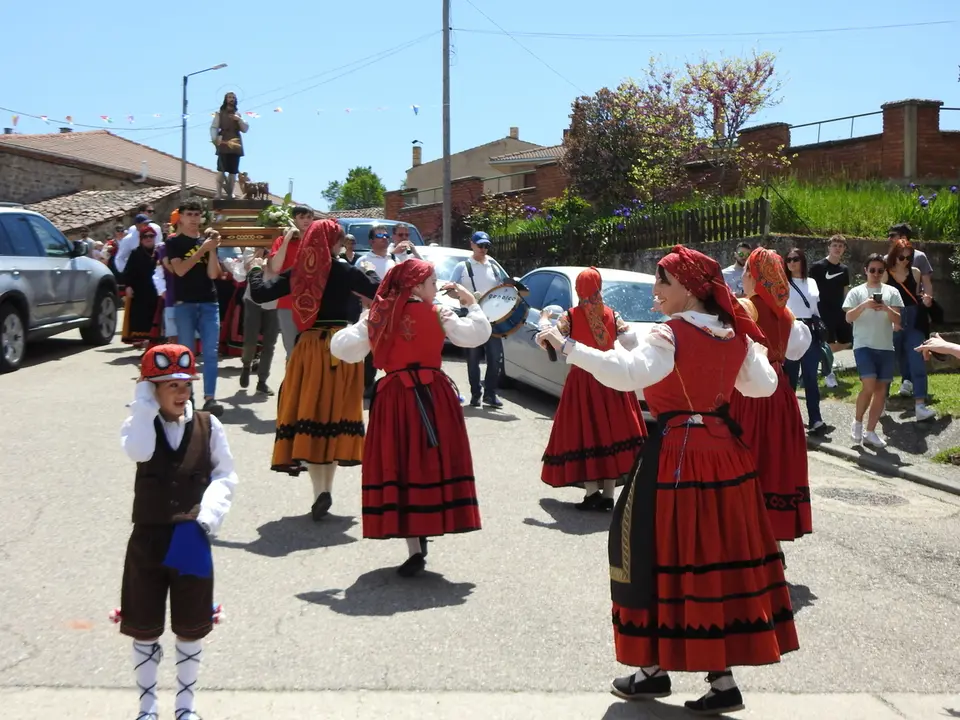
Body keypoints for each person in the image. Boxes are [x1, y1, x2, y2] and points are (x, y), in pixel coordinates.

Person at [536, 245, 796, 716]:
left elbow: (630, 375)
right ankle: (720, 680)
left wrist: (569, 347)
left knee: (651, 555)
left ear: (689, 290)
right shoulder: (728, 333)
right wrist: (747, 347)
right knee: (712, 561)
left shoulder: (671, 333)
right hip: (727, 458)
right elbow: (764, 386)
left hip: (678, 458)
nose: (655, 289)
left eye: (663, 282)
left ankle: (653, 669)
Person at [330, 259, 490, 576]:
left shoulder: (380, 315)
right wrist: (471, 304)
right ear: (416, 286)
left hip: (395, 398)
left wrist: (366, 319)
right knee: (430, 464)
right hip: (435, 398)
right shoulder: (439, 312)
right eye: (432, 283)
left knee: (400, 466)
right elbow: (477, 334)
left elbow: (341, 348)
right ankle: (429, 526)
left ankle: (414, 546)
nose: (435, 289)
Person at [115, 344, 237, 720]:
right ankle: (147, 706)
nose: (181, 391)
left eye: (184, 383)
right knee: (145, 623)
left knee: (191, 623)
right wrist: (144, 404)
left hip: (190, 535)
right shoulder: (139, 425)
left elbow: (225, 475)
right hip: (148, 536)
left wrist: (207, 515)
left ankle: (185, 705)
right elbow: (138, 451)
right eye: (170, 384)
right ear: (151, 388)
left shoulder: (208, 424)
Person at [247, 219, 381, 520]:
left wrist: (255, 269)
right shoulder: (345, 270)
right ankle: (326, 490)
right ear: (332, 242)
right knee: (334, 416)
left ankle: (320, 492)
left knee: (310, 413)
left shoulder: (299, 272)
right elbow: (377, 289)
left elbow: (260, 293)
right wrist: (371, 272)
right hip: (339, 349)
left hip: (307, 348)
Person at [729, 247, 814, 563]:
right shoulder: (787, 315)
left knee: (745, 462)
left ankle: (747, 544)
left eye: (746, 272)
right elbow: (795, 353)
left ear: (753, 275)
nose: (743, 277)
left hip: (748, 393)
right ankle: (771, 543)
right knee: (774, 462)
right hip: (780, 396)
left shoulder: (743, 307)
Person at [537, 267, 646, 510]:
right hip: (610, 377)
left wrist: (544, 321)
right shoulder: (612, 314)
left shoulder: (571, 316)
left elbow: (550, 341)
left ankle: (591, 493)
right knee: (611, 432)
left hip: (582, 382)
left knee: (585, 431)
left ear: (578, 289)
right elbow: (631, 342)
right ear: (599, 287)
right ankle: (608, 495)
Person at [165, 199, 225, 417]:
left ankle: (210, 398)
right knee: (186, 353)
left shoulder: (206, 241)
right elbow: (180, 270)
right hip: (185, 304)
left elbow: (212, 274)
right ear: (180, 217)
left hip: (209, 301)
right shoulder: (174, 242)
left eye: (197, 215)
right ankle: (186, 397)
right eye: (189, 214)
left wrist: (212, 250)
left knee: (210, 352)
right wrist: (202, 250)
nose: (193, 219)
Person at [843, 253, 903, 448]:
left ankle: (870, 431)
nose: (876, 274)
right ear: (866, 271)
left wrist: (886, 308)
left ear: (884, 272)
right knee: (868, 386)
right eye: (872, 270)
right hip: (863, 346)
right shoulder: (856, 292)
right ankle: (857, 421)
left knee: (880, 391)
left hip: (885, 347)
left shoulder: (892, 291)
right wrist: (865, 304)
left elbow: (898, 320)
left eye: (880, 270)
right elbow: (849, 317)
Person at [357, 224, 422, 398]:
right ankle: (367, 387)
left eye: (386, 235)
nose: (384, 238)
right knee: (371, 352)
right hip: (372, 312)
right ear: (371, 241)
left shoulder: (395, 260)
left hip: (393, 313)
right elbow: (356, 287)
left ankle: (391, 383)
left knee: (392, 349)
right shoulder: (363, 260)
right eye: (379, 235)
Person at [450, 231, 510, 407]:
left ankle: (490, 394)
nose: (483, 249)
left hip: (492, 318)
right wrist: (464, 297)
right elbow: (451, 289)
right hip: (471, 316)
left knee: (495, 357)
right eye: (480, 245)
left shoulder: (494, 266)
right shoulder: (463, 267)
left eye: (486, 246)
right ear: (472, 245)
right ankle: (476, 393)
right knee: (473, 358)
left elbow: (507, 285)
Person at [883, 239, 935, 421]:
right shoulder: (885, 274)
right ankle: (881, 403)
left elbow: (920, 294)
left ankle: (920, 404)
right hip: (893, 317)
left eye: (909, 257)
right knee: (888, 362)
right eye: (901, 256)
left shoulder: (915, 272)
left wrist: (927, 299)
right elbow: (882, 299)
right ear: (894, 255)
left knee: (917, 360)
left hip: (914, 319)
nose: (905, 260)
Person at [783, 248, 826, 434]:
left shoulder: (812, 282)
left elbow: (816, 309)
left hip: (810, 330)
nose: (792, 263)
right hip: (791, 329)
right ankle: (789, 419)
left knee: (811, 378)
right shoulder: (783, 283)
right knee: (789, 379)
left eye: (795, 259)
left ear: (802, 261)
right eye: (789, 259)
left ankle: (815, 419)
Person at [268, 206, 315, 356]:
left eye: (309, 217)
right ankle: (292, 380)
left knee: (310, 350)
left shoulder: (317, 241)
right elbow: (275, 267)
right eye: (301, 217)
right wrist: (287, 239)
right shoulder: (282, 240)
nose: (306, 221)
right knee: (292, 351)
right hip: (287, 303)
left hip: (312, 302)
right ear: (294, 220)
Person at [808, 234, 852, 388]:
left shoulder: (844, 269)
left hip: (840, 311)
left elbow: (845, 291)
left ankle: (826, 359)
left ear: (844, 249)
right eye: (835, 245)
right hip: (822, 311)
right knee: (826, 342)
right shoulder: (817, 267)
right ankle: (829, 373)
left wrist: (848, 309)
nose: (837, 248)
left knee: (847, 341)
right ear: (829, 247)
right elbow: (810, 289)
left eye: (841, 246)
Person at [120, 226, 163, 349]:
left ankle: (155, 340)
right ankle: (142, 340)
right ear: (141, 239)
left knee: (156, 316)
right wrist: (128, 286)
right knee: (140, 317)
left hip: (157, 291)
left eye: (151, 236)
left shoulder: (160, 252)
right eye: (145, 237)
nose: (148, 239)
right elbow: (128, 272)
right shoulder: (135, 253)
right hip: (139, 291)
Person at [210, 92, 249, 199]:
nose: (231, 99)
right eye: (229, 97)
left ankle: (230, 192)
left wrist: (239, 120)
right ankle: (218, 192)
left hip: (236, 144)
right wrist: (215, 139)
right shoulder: (219, 113)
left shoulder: (238, 115)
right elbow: (214, 127)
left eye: (233, 97)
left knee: (233, 171)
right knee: (221, 169)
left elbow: (245, 129)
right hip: (224, 142)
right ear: (225, 99)